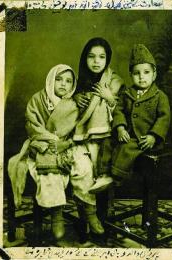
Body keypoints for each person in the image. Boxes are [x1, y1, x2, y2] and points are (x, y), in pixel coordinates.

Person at [8, 64, 104, 244]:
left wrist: (66, 143)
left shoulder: (74, 103)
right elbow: (32, 125)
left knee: (84, 167)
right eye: (59, 79)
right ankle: (56, 216)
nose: (63, 84)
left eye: (68, 81)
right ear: (51, 80)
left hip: (68, 144)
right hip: (43, 144)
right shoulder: (38, 99)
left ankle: (91, 212)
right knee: (50, 173)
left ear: (73, 84)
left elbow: (79, 128)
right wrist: (51, 140)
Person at [110, 44, 171, 185]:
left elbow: (164, 118)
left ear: (154, 74)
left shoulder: (160, 96)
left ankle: (115, 176)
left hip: (146, 140)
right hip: (128, 134)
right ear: (131, 75)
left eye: (146, 72)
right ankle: (102, 173)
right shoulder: (127, 94)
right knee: (108, 143)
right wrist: (120, 128)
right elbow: (118, 111)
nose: (141, 77)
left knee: (126, 148)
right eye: (137, 73)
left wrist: (153, 136)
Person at [73, 37, 124, 193]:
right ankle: (89, 209)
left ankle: (107, 206)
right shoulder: (79, 81)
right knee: (85, 168)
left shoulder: (114, 81)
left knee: (102, 165)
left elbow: (124, 111)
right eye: (91, 56)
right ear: (85, 58)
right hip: (82, 136)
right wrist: (75, 97)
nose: (96, 61)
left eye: (102, 57)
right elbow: (70, 110)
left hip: (109, 135)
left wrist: (109, 97)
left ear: (107, 58)